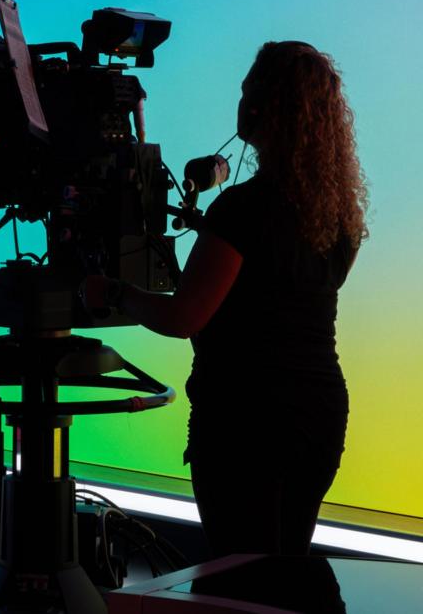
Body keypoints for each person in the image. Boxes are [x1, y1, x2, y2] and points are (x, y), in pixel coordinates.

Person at [82, 41, 369, 557]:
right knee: (285, 570)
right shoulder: (339, 216)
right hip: (319, 414)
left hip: (246, 421)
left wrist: (114, 292)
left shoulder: (242, 210)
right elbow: (287, 287)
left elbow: (183, 317)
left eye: (246, 92)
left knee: (240, 578)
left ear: (262, 109)